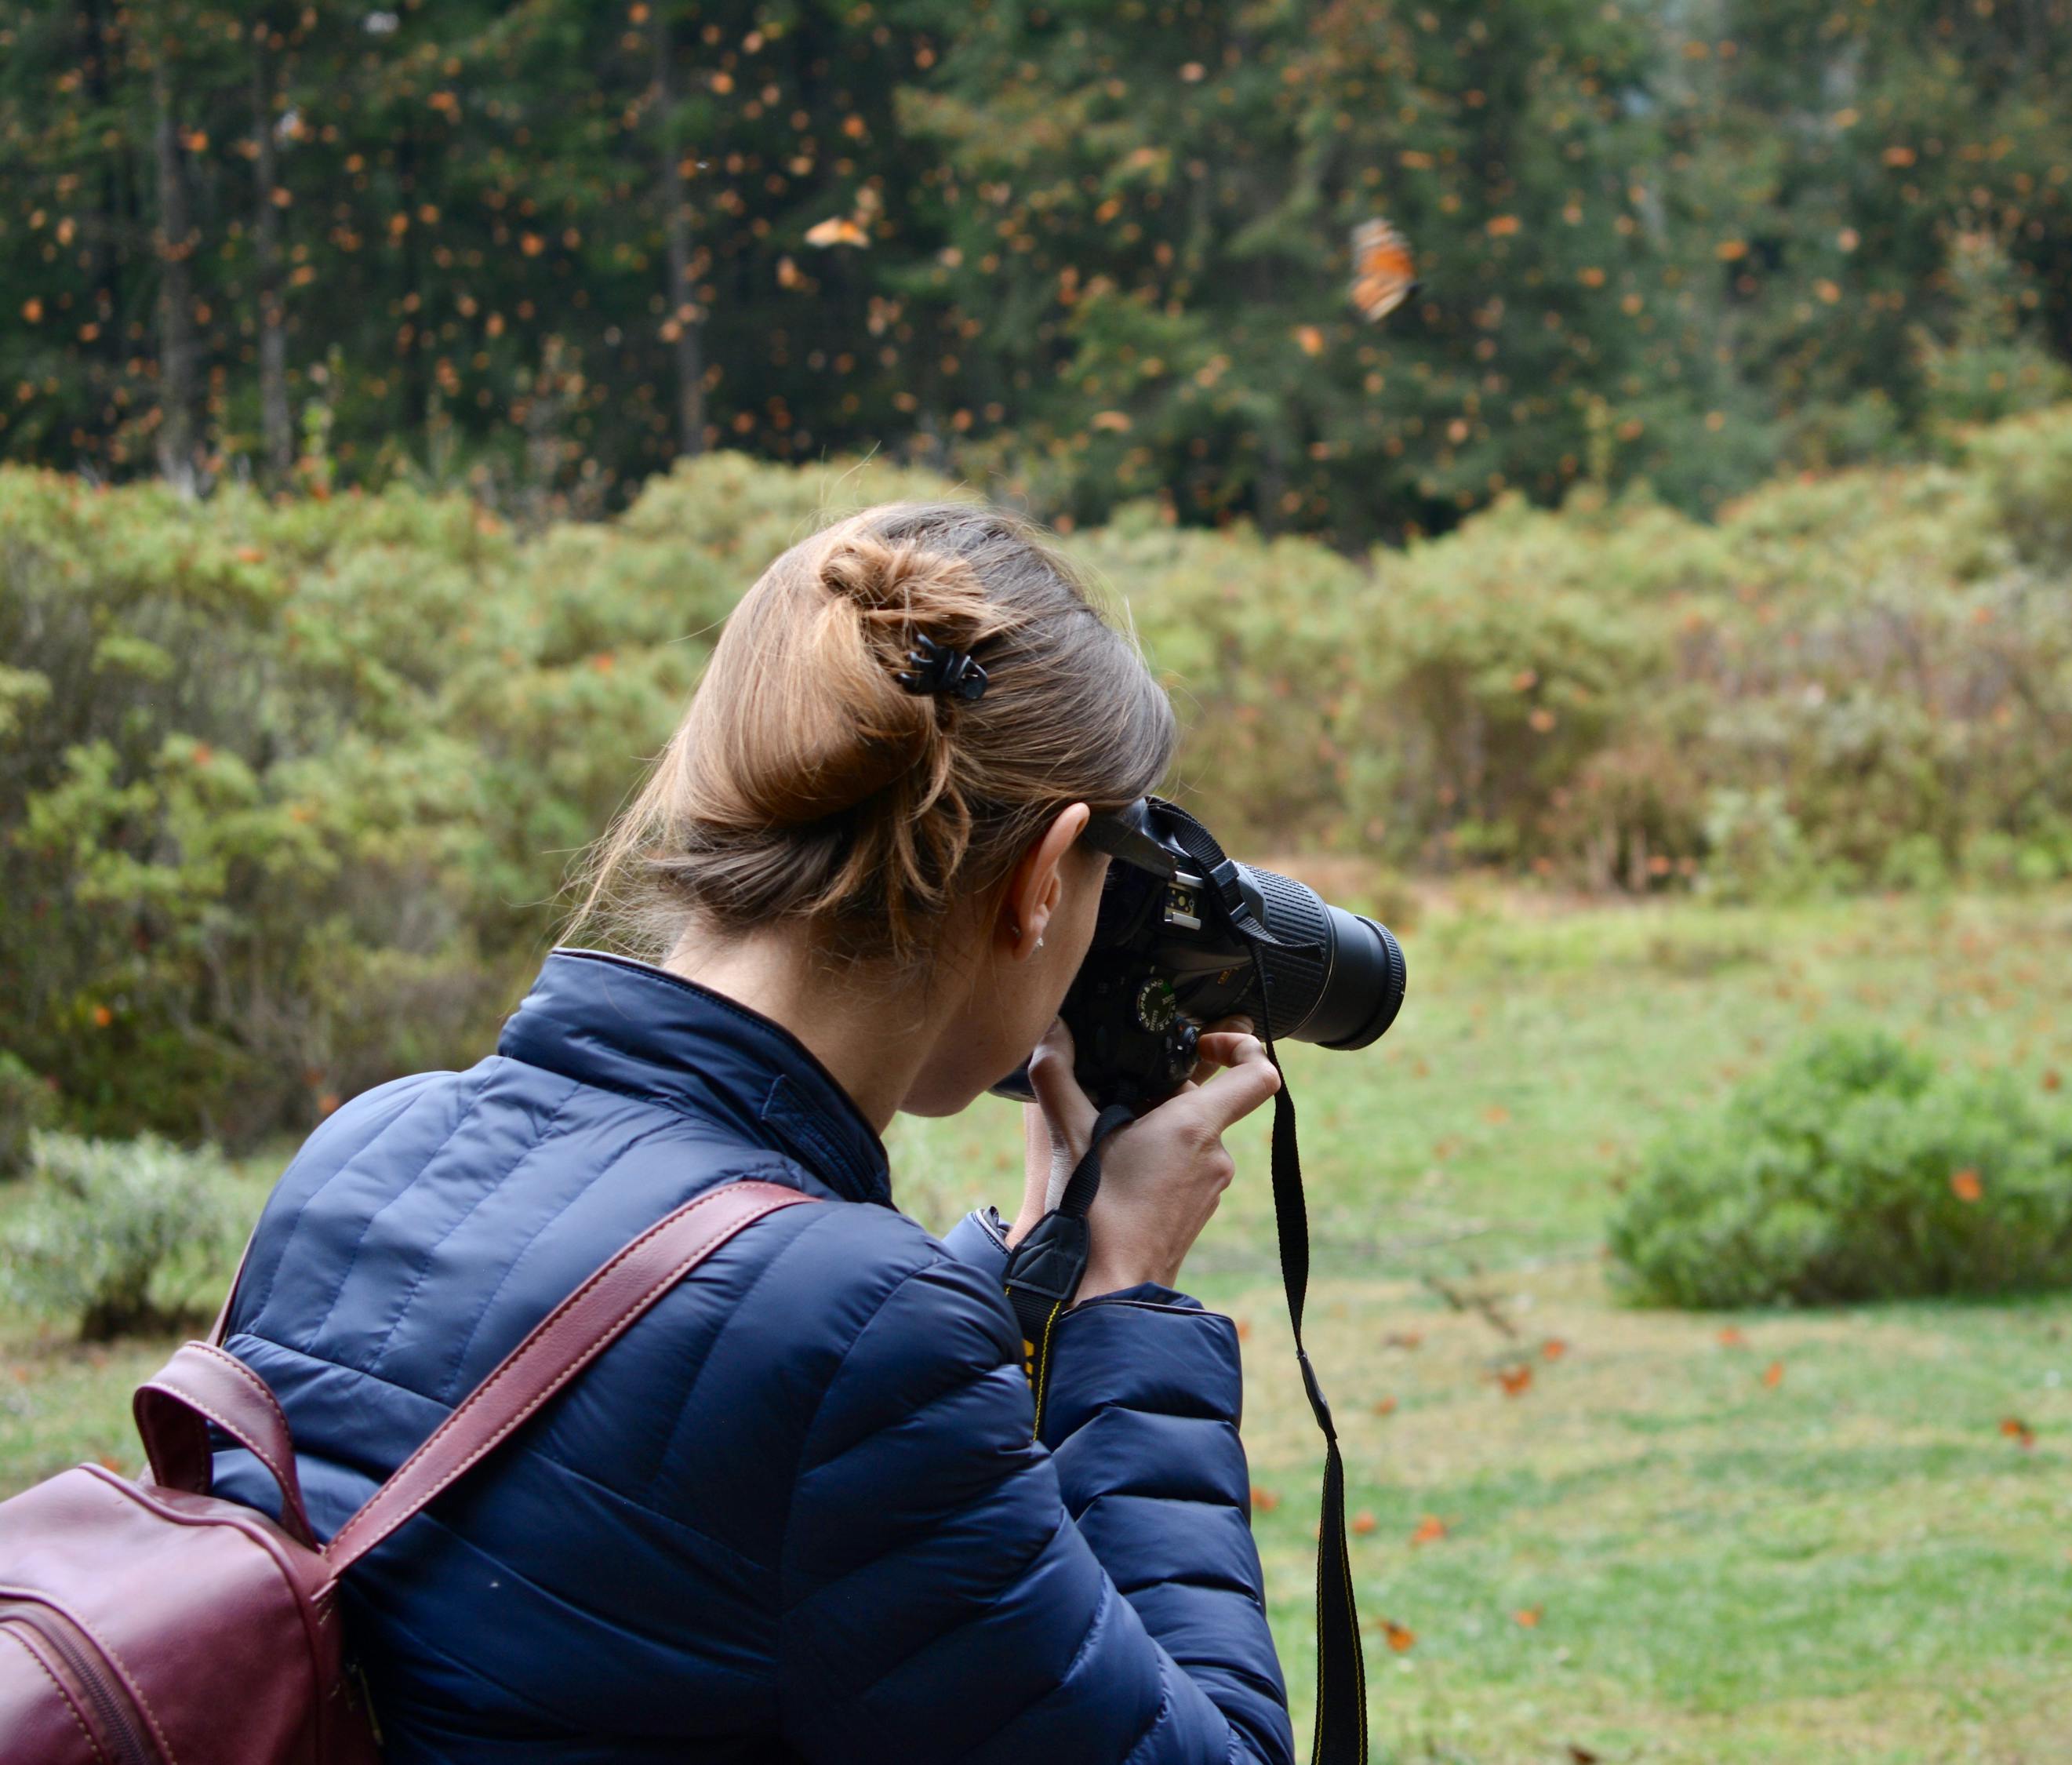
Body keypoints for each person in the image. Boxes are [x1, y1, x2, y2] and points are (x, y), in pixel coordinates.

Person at [212, 502, 1293, 1763]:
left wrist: (1016, 1271)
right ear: (1047, 872)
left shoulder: (370, 1149)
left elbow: (669, 1450)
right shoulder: (859, 1339)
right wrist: (1120, 1307)